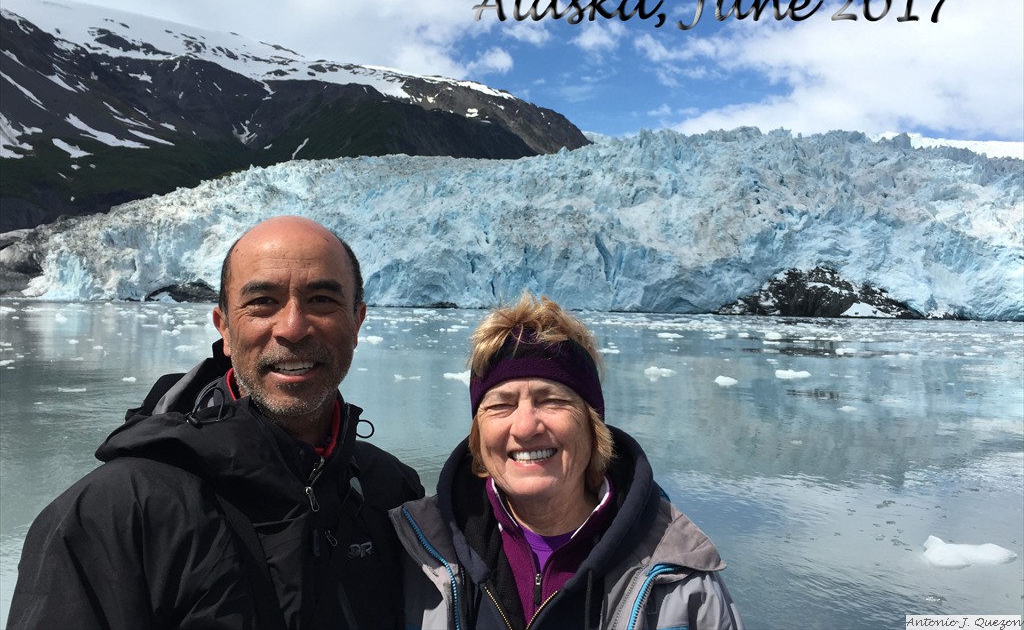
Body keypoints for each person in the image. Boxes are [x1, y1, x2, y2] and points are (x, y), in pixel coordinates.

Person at [9, 216, 424, 630]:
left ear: (357, 322)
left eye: (322, 300)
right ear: (223, 327)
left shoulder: (391, 491)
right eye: (263, 301)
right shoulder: (116, 512)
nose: (293, 328)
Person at [390, 292, 743, 629]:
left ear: (593, 426)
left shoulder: (680, 576)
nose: (526, 427)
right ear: (478, 434)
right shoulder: (417, 555)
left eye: (551, 400)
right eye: (501, 404)